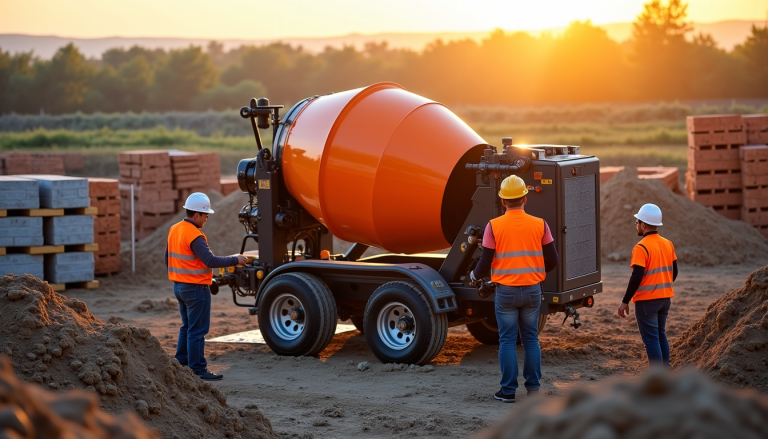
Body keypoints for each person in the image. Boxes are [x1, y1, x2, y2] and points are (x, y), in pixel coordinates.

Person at [470, 175, 558, 403]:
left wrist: (473, 276)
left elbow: (484, 263)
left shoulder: (493, 226)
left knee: (508, 341)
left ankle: (508, 391)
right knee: (530, 339)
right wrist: (536, 271)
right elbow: (553, 260)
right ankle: (533, 391)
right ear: (525, 199)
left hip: (506, 292)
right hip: (532, 290)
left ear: (503, 201)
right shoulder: (540, 224)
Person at [165, 192, 247, 381]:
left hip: (179, 287)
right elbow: (210, 260)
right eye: (205, 215)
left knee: (187, 327)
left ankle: (181, 364)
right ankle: (198, 370)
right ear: (197, 215)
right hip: (196, 290)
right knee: (197, 330)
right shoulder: (195, 235)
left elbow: (166, 258)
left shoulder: (174, 229)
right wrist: (236, 259)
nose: (206, 219)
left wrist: (181, 274)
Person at [617, 203, 678, 368]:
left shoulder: (641, 247)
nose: (636, 225)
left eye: (637, 222)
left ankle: (657, 377)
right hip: (665, 299)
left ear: (643, 225)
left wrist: (625, 301)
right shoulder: (668, 244)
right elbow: (674, 272)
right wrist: (662, 286)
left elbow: (636, 276)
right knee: (660, 335)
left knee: (651, 340)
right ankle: (665, 370)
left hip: (647, 302)